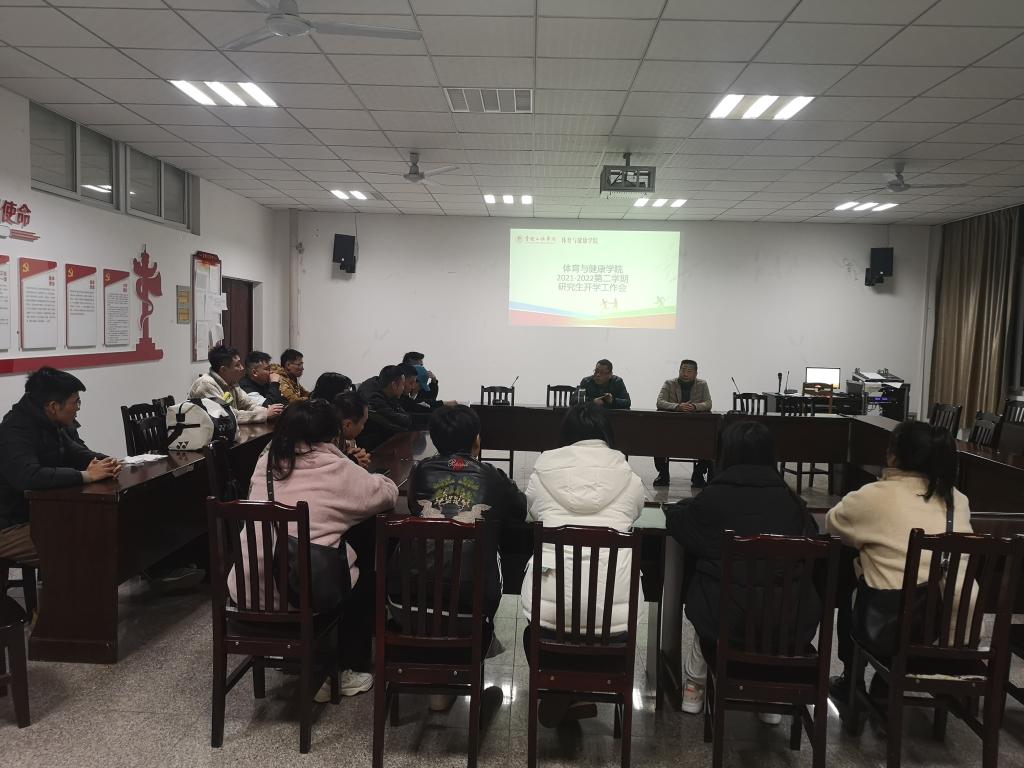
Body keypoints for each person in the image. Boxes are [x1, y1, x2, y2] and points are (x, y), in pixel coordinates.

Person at [234, 399, 399, 701]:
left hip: (248, 589)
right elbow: (385, 494)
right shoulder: (334, 466)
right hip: (298, 593)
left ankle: (292, 655)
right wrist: (361, 469)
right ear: (333, 434)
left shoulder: (266, 461)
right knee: (364, 579)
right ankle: (346, 669)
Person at [665, 421, 820, 722]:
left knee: (708, 598)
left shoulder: (714, 498)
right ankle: (770, 700)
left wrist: (682, 507)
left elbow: (681, 525)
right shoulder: (793, 503)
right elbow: (812, 540)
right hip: (787, 624)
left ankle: (694, 688)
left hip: (726, 622)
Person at [386, 405, 526, 708]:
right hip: (469, 612)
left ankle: (439, 681)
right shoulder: (494, 478)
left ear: (435, 440)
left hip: (404, 604)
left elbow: (415, 508)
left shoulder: (421, 472)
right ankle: (456, 674)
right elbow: (520, 509)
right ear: (477, 440)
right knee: (487, 567)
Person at [825, 420, 972, 708]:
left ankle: (852, 680)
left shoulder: (873, 496)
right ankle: (883, 685)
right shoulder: (958, 500)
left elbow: (834, 523)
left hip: (887, 628)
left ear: (894, 456)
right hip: (946, 628)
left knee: (850, 571)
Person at [520, 403, 644, 726]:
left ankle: (563, 690)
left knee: (531, 634)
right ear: (607, 435)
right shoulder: (629, 478)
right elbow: (635, 513)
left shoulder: (542, 473)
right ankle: (575, 692)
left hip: (550, 629)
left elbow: (533, 511)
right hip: (615, 634)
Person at [0, 368, 122, 566]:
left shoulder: (49, 423)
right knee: (84, 539)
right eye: (75, 402)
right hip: (10, 526)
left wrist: (107, 462)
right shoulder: (14, 430)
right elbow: (29, 476)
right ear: (53, 406)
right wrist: (86, 476)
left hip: (41, 513)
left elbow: (74, 452)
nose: (78, 408)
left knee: (105, 526)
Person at [654, 359, 713, 487]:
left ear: (696, 373)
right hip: (671, 427)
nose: (685, 373)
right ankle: (663, 474)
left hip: (695, 428)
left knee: (710, 441)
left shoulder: (702, 384)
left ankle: (698, 474)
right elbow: (660, 402)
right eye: (683, 370)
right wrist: (677, 406)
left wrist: (695, 407)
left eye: (689, 371)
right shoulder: (669, 383)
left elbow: (708, 403)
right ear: (679, 370)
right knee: (657, 437)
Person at [189, 345, 283, 424]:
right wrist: (264, 414)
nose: (242, 368)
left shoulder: (232, 382)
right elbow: (228, 415)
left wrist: (268, 411)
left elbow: (249, 404)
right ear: (223, 370)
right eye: (237, 365)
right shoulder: (206, 385)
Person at [356, 365, 413, 450]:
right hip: (372, 447)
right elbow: (399, 421)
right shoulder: (373, 399)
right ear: (394, 385)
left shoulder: (385, 390)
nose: (403, 388)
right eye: (403, 385)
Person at [333, 390, 372, 469]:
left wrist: (350, 455)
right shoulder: (325, 440)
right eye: (363, 423)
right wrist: (353, 461)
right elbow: (331, 471)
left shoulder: (338, 430)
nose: (363, 428)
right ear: (348, 425)